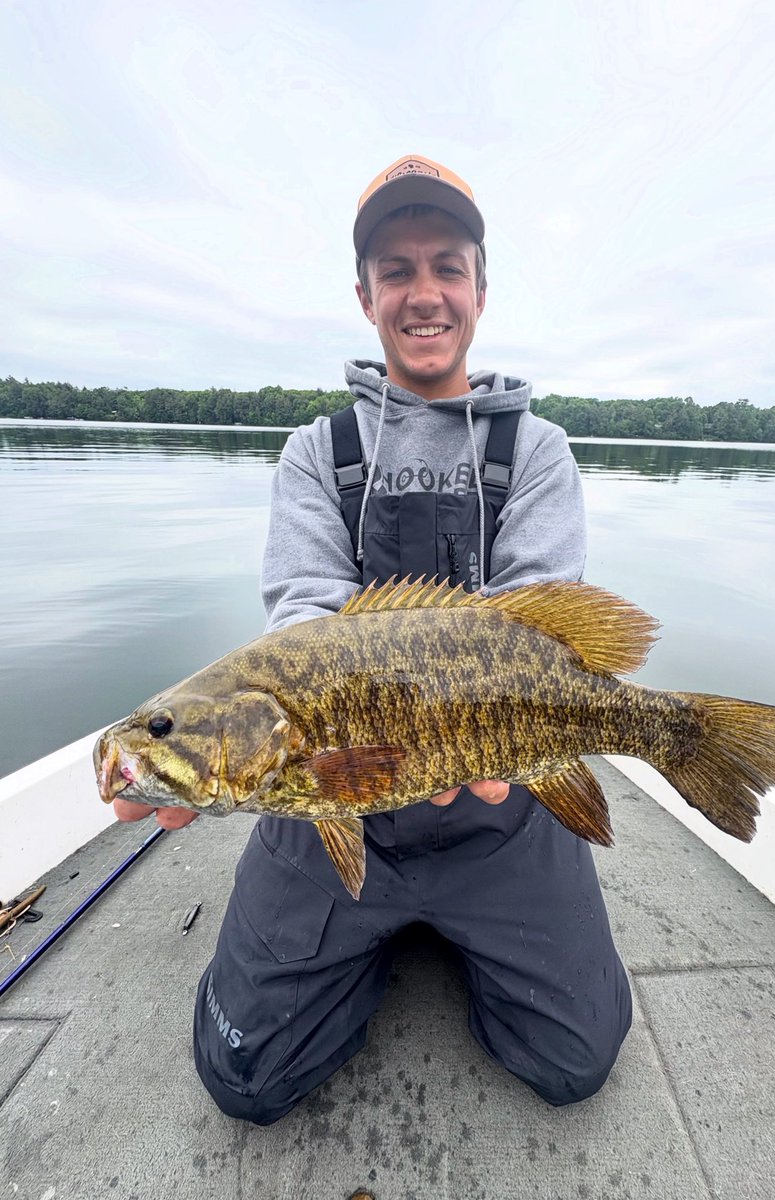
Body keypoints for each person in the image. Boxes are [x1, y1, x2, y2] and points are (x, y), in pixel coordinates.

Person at [114, 154, 633, 1128]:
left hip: (499, 811)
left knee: (574, 1057)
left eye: (445, 265)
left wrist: (491, 736)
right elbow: (304, 631)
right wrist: (181, 757)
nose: (423, 291)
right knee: (243, 1075)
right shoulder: (318, 453)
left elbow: (534, 625)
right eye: (397, 270)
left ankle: (441, 926)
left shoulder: (537, 451)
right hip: (328, 808)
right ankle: (375, 930)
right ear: (365, 294)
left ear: (480, 287)